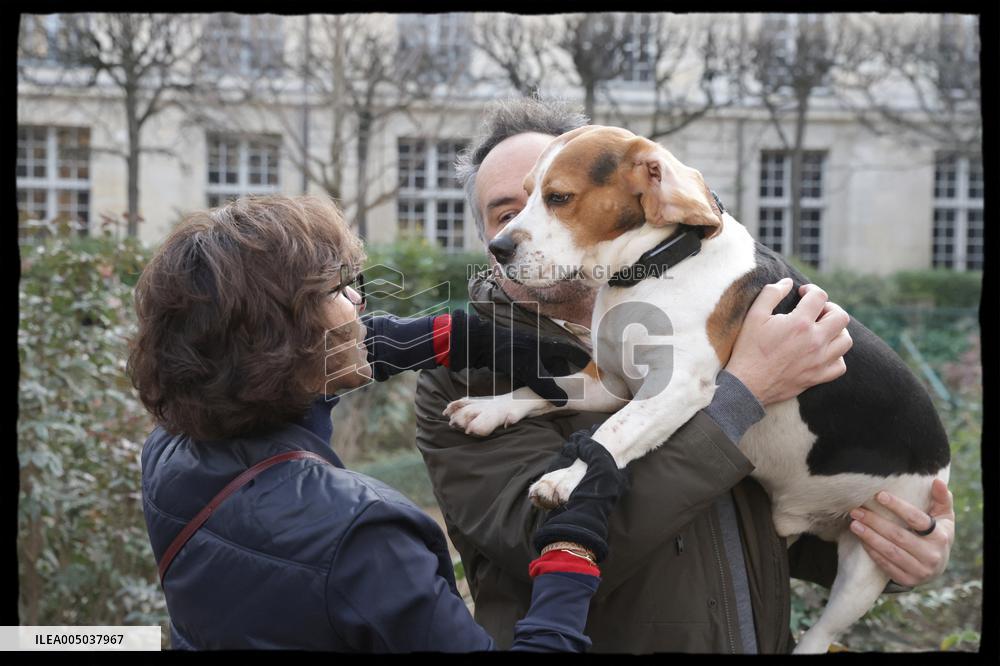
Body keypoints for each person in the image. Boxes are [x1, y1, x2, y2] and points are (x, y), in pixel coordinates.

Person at [413, 96, 956, 653]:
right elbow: (541, 543)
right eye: (505, 215)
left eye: (555, 199)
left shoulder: (709, 299)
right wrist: (742, 393)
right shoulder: (462, 379)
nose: (516, 235)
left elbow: (777, 524)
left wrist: (903, 553)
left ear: (631, 194)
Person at [130, 194, 633, 651]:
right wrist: (570, 551)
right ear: (282, 341)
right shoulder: (362, 541)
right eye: (340, 291)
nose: (360, 302)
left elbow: (308, 360)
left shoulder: (171, 452)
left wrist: (459, 336)